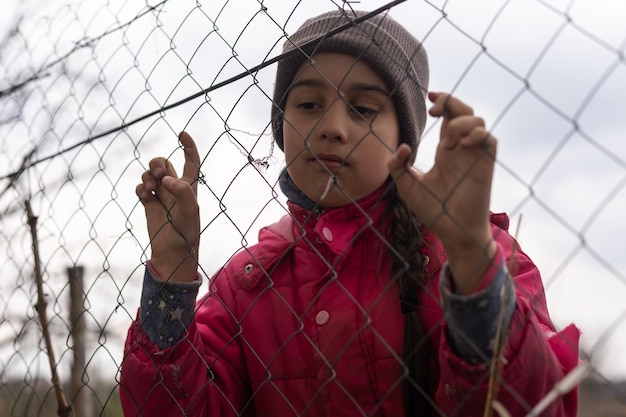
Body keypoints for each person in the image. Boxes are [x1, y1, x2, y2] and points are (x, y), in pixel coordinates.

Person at [120, 9, 580, 417]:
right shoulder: (246, 286)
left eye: (362, 109)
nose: (332, 129)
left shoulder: (465, 257)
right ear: (281, 124)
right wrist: (173, 273)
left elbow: (535, 403)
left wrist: (471, 259)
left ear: (405, 137)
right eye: (307, 104)